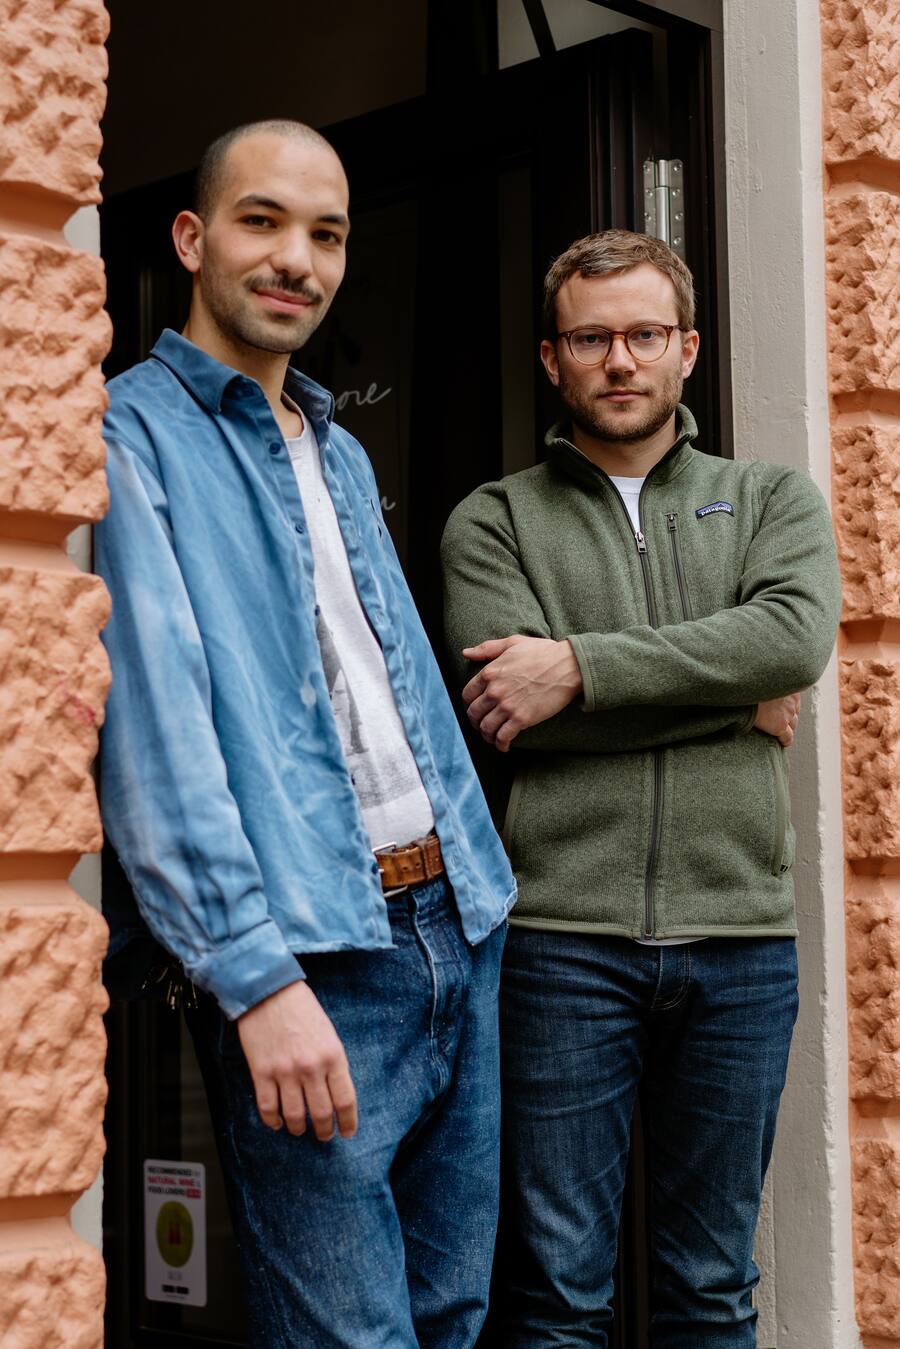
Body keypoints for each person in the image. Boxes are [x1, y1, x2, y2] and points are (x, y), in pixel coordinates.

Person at [96, 119, 514, 1349]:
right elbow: (158, 737)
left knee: (454, 1317)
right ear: (193, 238)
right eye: (262, 220)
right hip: (313, 959)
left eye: (325, 234)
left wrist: (481, 892)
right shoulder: (131, 434)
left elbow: (403, 696)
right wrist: (252, 975)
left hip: (455, 923)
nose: (298, 260)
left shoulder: (332, 443)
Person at [442, 229, 841, 1347]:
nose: (620, 358)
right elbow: (507, 713)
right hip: (561, 942)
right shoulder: (494, 518)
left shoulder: (771, 499)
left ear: (688, 349)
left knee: (711, 1286)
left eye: (644, 334)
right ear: (550, 358)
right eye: (592, 337)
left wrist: (576, 667)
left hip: (741, 942)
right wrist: (735, 701)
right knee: (557, 1291)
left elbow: (794, 637)